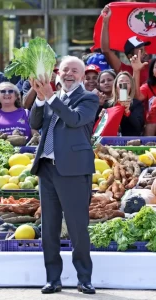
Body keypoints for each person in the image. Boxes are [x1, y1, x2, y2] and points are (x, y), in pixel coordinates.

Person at [29, 56, 98, 295]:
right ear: (58, 73)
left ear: (82, 76)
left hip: (73, 170)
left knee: (78, 227)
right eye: (65, 69)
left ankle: (84, 278)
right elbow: (34, 122)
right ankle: (53, 278)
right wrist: (39, 98)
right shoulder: (50, 96)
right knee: (49, 228)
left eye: (75, 71)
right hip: (47, 168)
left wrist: (49, 96)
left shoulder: (88, 97)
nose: (69, 74)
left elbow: (74, 119)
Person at [97, 71, 144, 136]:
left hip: (128, 141)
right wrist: (101, 118)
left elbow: (138, 126)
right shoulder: (107, 105)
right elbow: (98, 128)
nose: (124, 84)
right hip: (110, 141)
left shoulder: (136, 104)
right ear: (116, 86)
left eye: (127, 82)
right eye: (121, 82)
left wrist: (127, 112)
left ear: (130, 86)